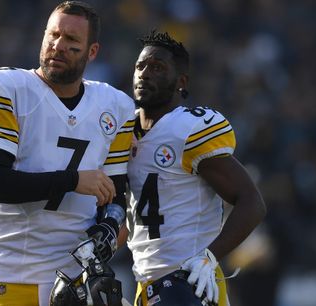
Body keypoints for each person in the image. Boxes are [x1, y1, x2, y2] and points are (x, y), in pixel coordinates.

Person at [0, 1, 135, 306]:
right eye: (53, 35)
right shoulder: (1, 87)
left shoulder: (115, 106)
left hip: (79, 275)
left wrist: (109, 223)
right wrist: (72, 180)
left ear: (92, 52)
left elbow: (114, 192)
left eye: (72, 41)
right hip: (13, 271)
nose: (58, 45)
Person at [124, 30, 266, 306]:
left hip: (187, 283)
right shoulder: (123, 132)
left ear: (181, 82)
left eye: (157, 67)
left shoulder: (187, 130)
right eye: (140, 66)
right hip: (145, 284)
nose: (144, 73)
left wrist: (208, 256)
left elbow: (252, 202)